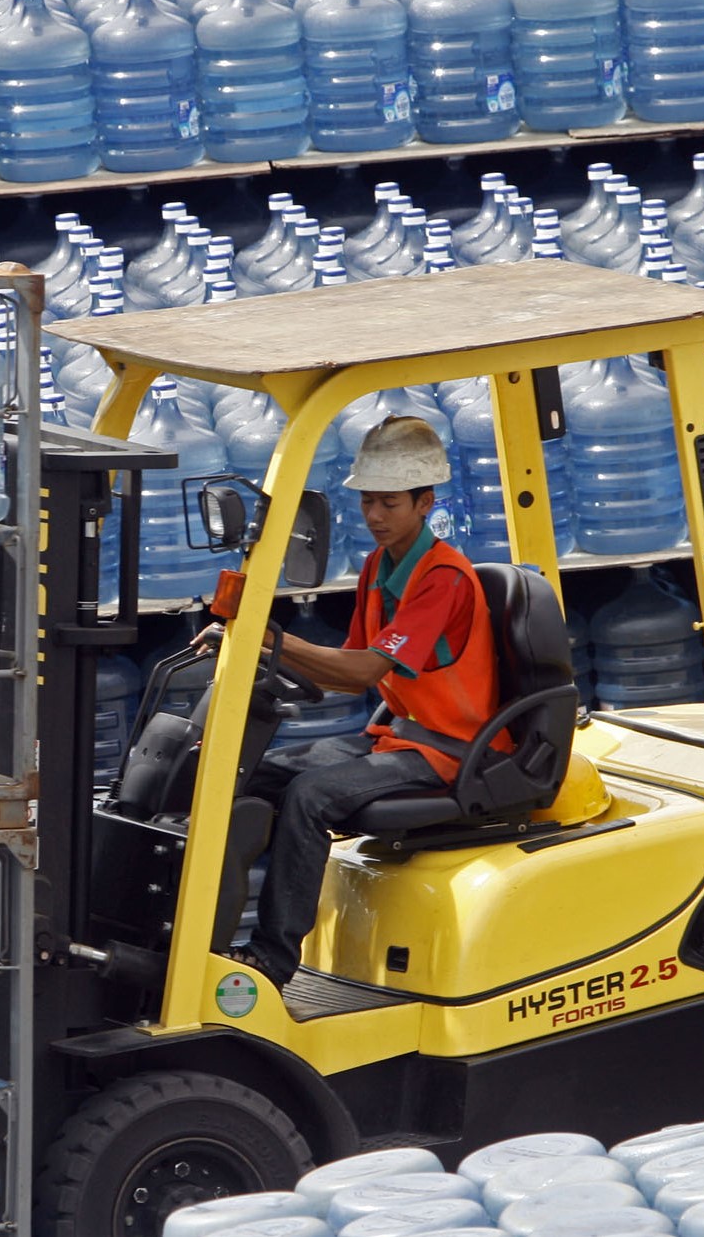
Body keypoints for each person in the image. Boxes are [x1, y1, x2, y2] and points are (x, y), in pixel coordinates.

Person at [199, 415, 512, 988]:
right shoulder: (377, 567)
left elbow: (366, 667)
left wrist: (268, 636)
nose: (374, 517)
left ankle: (271, 960)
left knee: (310, 797)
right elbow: (348, 676)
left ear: (425, 503)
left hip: (449, 749)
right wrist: (249, 645)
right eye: (368, 502)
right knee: (248, 774)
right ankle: (200, 932)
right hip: (400, 735)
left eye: (389, 504)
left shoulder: (444, 579)